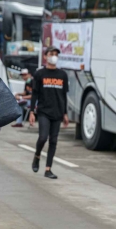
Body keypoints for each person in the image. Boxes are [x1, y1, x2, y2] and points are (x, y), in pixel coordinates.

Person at [29, 46, 69, 179]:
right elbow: (35, 94)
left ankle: (48, 169)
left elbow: (64, 95)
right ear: (45, 56)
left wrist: (65, 113)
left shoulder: (62, 75)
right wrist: (31, 112)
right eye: (51, 54)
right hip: (43, 111)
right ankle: (37, 155)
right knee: (43, 137)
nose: (54, 56)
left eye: (56, 54)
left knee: (53, 141)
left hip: (57, 112)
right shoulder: (40, 74)